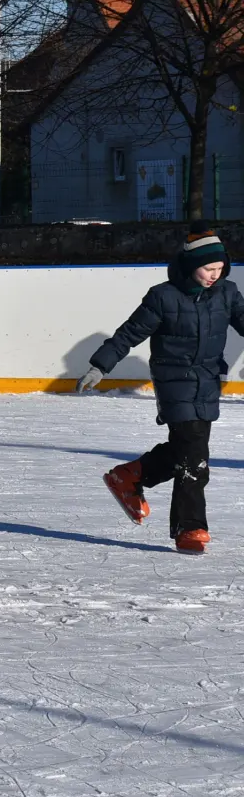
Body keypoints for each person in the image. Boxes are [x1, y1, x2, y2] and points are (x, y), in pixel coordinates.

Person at [78, 224, 244, 554]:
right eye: (208, 269)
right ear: (190, 265)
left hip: (207, 382)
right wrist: (101, 365)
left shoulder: (227, 293)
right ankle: (190, 528)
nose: (214, 275)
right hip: (174, 383)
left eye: (219, 268)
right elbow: (129, 333)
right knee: (194, 458)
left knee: (187, 449)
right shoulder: (163, 297)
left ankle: (130, 475)